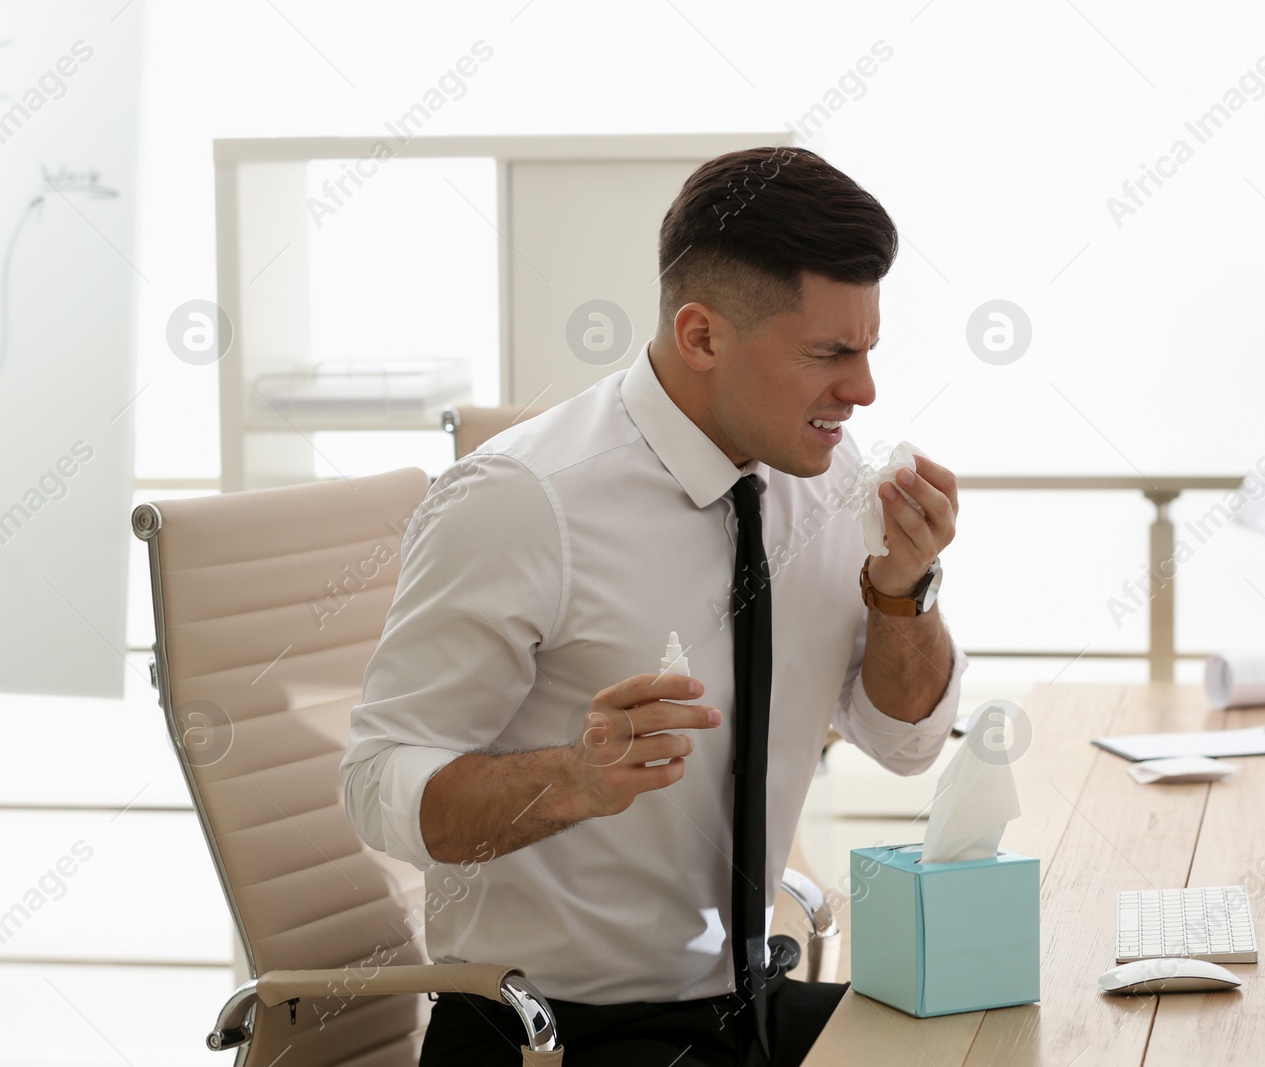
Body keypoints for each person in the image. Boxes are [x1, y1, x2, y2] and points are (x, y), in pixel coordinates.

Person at [342, 145, 967, 1067]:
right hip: (555, 1033)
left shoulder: (827, 484)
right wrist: (575, 780)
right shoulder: (522, 500)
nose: (863, 390)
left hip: (745, 1002)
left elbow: (908, 745)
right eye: (830, 354)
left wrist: (901, 596)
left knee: (997, 1035)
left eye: (869, 349)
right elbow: (374, 784)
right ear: (703, 335)